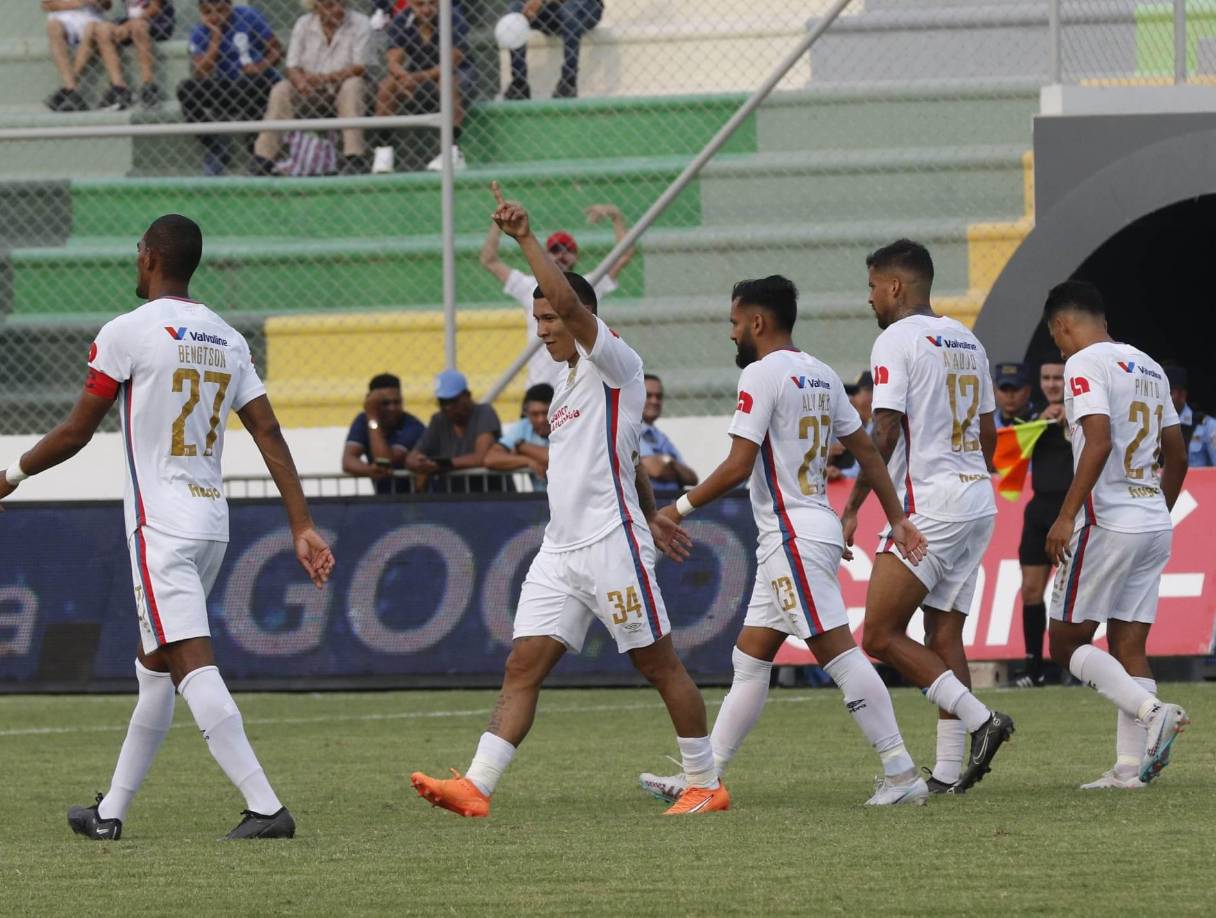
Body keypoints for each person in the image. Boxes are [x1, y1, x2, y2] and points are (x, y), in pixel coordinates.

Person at [0, 214, 334, 840]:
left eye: (137, 253)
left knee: (189, 663)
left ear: (151, 256)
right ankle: (111, 813)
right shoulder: (227, 338)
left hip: (160, 526)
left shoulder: (127, 333)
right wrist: (302, 524)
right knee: (154, 667)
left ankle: (266, 807)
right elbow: (268, 431)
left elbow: (77, 430)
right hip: (211, 519)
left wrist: (11, 475)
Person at [410, 183, 727, 817]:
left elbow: (567, 299)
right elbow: (626, 458)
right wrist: (654, 508)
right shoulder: (567, 387)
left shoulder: (616, 364)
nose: (544, 329)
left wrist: (526, 236)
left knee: (659, 665)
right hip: (561, 549)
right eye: (537, 322)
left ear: (583, 319)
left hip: (611, 545)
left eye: (551, 319)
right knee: (522, 666)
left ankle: (705, 784)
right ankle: (476, 785)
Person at [637, 276, 931, 807]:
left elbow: (736, 466)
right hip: (805, 527)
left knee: (839, 654)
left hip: (791, 535)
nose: (730, 334)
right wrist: (895, 515)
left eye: (733, 323)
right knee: (751, 658)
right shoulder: (820, 373)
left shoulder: (761, 374)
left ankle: (901, 771)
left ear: (756, 322)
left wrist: (672, 510)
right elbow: (867, 451)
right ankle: (704, 779)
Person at [842, 239, 1014, 795]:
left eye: (872, 286)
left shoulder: (896, 340)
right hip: (976, 501)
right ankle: (944, 773)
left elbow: (883, 431)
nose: (869, 298)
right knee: (944, 632)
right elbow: (989, 434)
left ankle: (981, 719)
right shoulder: (967, 338)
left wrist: (853, 508)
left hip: (933, 503)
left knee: (879, 634)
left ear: (893, 286)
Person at [1041, 279, 1190, 789]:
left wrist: (1066, 516)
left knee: (1064, 642)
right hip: (1152, 521)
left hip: (1107, 521)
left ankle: (1152, 712)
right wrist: (1155, 509)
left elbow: (1098, 442)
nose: (1059, 351)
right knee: (1129, 641)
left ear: (1063, 326)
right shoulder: (1148, 364)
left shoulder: (1084, 363)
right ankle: (1130, 769)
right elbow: (1179, 453)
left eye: (1056, 340)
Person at [480, 205, 635, 389]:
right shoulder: (529, 286)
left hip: (579, 385)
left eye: (567, 250)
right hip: (540, 387)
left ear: (576, 256)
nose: (562, 255)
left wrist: (615, 216)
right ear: (545, 256)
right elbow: (489, 260)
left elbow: (624, 255)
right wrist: (498, 222)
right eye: (555, 249)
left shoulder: (588, 284)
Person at [252, 0, 371, 177]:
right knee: (281, 89)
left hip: (342, 87)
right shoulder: (304, 24)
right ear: (316, 7)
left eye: (341, 3)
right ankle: (263, 159)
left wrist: (325, 78)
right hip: (309, 90)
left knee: (353, 86)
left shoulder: (360, 22)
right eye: (330, 5)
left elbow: (360, 66)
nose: (337, 9)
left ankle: (354, 158)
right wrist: (300, 82)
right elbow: (292, 65)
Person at [1014, 358, 1070, 688]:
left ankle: (1073, 665)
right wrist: (1038, 421)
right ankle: (1033, 666)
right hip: (1038, 511)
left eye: (1058, 378)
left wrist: (1069, 423)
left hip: (1071, 512)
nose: (1052, 384)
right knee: (1032, 590)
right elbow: (1008, 458)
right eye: (1046, 377)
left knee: (1075, 593)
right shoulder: (1029, 416)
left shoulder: (1085, 413)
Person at [177, 0, 282, 176]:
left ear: (230, 6)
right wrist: (216, 37)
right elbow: (201, 73)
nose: (216, 17)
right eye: (209, 12)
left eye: (220, 10)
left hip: (254, 81)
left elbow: (277, 50)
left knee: (254, 84)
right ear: (201, 12)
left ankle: (256, 148)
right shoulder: (199, 32)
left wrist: (260, 66)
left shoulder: (249, 16)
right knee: (186, 89)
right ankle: (215, 145)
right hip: (225, 84)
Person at [371, 0, 472, 174]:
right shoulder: (402, 20)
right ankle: (384, 151)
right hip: (418, 72)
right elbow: (393, 60)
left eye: (432, 3)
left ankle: (453, 151)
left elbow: (452, 60)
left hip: (459, 73)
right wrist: (403, 76)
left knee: (447, 81)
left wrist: (416, 78)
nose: (426, 9)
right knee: (387, 85)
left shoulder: (453, 16)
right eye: (420, 4)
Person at [406, 369, 503, 491]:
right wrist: (419, 464)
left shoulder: (484, 413)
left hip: (491, 497)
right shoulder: (438, 420)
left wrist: (441, 465)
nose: (448, 407)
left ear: (467, 396)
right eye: (442, 403)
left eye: (453, 401)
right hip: (452, 500)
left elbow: (481, 457)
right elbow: (412, 457)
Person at [77, 0, 176, 111]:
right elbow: (107, 5)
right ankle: (119, 88)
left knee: (138, 27)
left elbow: (155, 8)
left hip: (158, 22)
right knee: (102, 30)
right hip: (131, 23)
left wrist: (128, 25)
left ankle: (148, 87)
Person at [342, 372, 425, 495]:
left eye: (397, 402)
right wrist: (370, 470)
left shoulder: (413, 426)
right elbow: (348, 461)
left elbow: (384, 460)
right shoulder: (362, 420)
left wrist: (372, 418)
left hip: (416, 500)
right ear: (371, 402)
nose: (392, 408)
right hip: (386, 500)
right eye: (385, 404)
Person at [503, 0, 603, 100]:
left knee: (569, 11)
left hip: (583, 7)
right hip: (549, 10)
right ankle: (519, 83)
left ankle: (568, 82)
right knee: (514, 10)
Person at [43, 0, 111, 112]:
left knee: (92, 28)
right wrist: (79, 3)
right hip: (62, 18)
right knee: (53, 27)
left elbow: (108, 5)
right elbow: (46, 5)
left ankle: (68, 91)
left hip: (90, 18)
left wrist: (97, 2)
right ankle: (71, 89)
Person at [484, 382, 552, 490]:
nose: (541, 419)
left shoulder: (566, 424)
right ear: (526, 413)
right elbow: (490, 459)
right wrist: (528, 461)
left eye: (546, 413)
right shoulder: (524, 426)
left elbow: (553, 458)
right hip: (541, 501)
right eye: (535, 414)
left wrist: (523, 447)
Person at [639, 374, 697, 491]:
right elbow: (656, 470)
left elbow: (691, 478)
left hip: (670, 503)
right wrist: (673, 465)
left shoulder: (660, 437)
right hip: (647, 505)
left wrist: (668, 461)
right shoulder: (630, 431)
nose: (654, 401)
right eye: (648, 395)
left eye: (659, 396)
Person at [1164, 365, 1216, 468]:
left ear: (1182, 395)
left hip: (1198, 484)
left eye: (1168, 393)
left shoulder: (1207, 426)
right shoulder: (1153, 424)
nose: (1163, 398)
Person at [830, 370, 873, 479]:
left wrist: (842, 474)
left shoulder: (878, 428)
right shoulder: (836, 422)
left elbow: (865, 469)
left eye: (856, 393)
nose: (851, 399)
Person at [993, 362, 1034, 428]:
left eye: (1015, 389)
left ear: (1027, 391)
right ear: (995, 391)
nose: (1010, 395)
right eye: (1004, 390)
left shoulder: (1042, 420)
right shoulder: (986, 427)